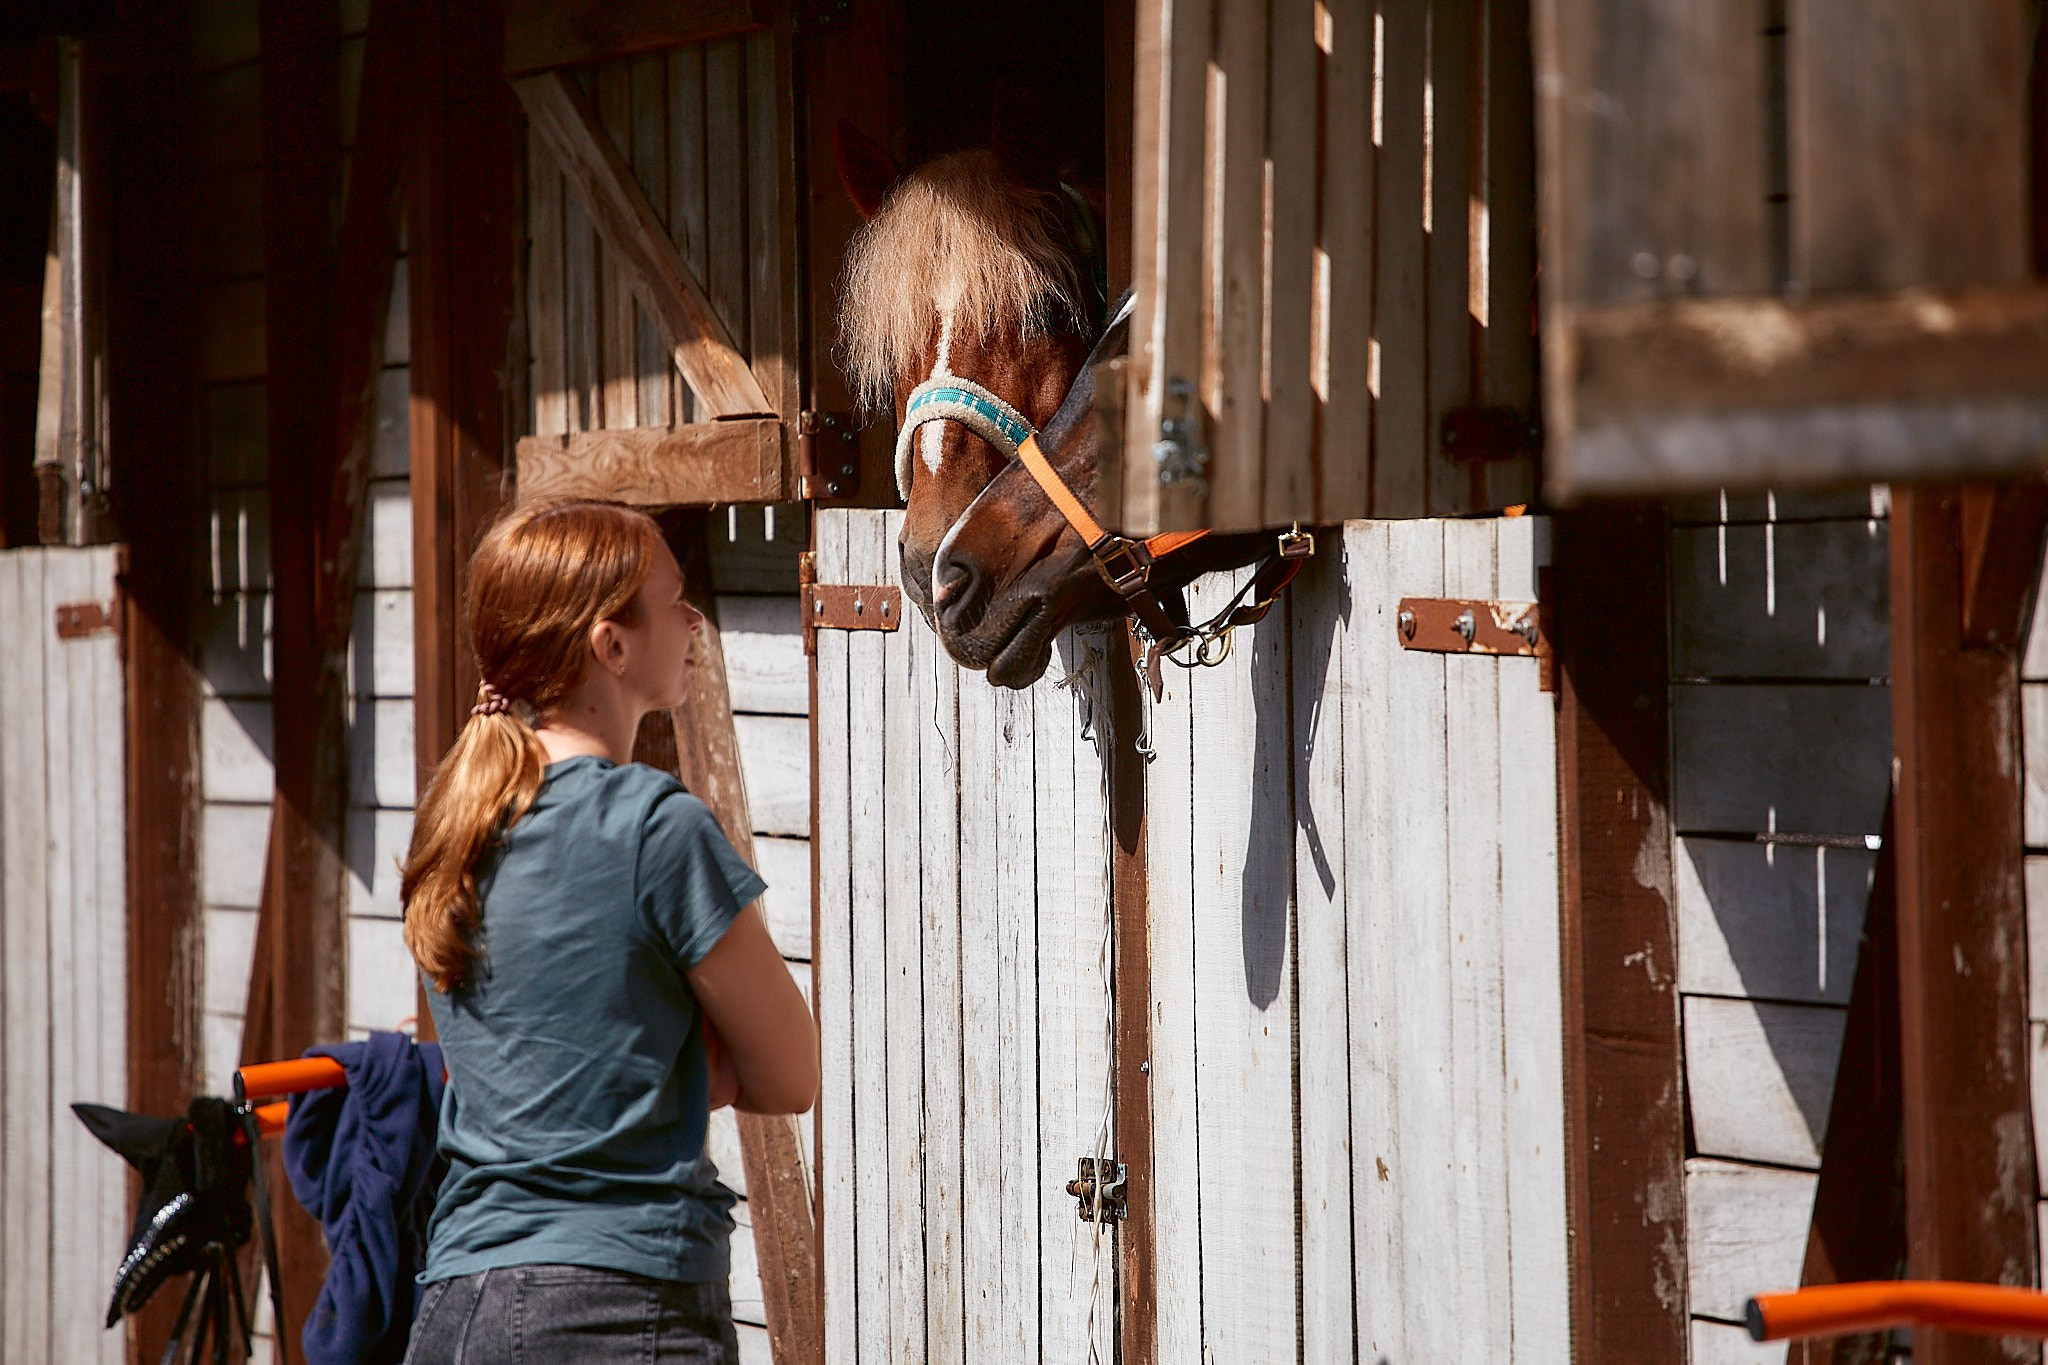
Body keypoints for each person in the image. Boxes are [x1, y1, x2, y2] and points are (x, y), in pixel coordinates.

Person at [397, 496, 818, 1363]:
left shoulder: (456, 826)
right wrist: (674, 1060)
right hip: (616, 1312)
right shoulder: (654, 827)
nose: (693, 615)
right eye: (673, 598)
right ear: (611, 645)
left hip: (453, 1306)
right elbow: (791, 1071)